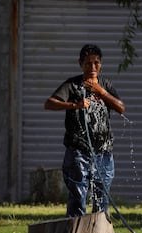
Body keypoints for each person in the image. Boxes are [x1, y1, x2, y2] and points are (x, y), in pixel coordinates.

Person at [44, 44, 125, 217]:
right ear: (80, 64)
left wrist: (100, 91)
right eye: (88, 63)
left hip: (103, 152)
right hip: (78, 151)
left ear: (101, 64)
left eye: (96, 63)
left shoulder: (105, 85)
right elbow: (49, 103)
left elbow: (121, 108)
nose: (93, 67)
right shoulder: (72, 85)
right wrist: (74, 105)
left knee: (102, 198)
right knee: (78, 198)